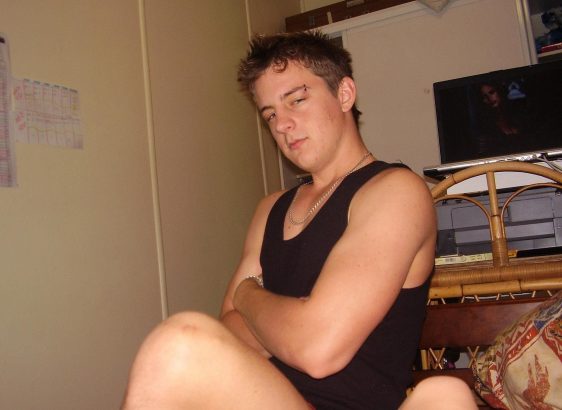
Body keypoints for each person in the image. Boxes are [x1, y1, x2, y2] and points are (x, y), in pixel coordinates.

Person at [121, 31, 476, 409]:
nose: (282, 125)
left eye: (297, 100)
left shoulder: (394, 191)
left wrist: (248, 295)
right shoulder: (270, 209)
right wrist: (296, 320)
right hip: (263, 399)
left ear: (344, 94)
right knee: (179, 349)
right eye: (270, 114)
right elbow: (230, 334)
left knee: (446, 394)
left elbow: (318, 349)